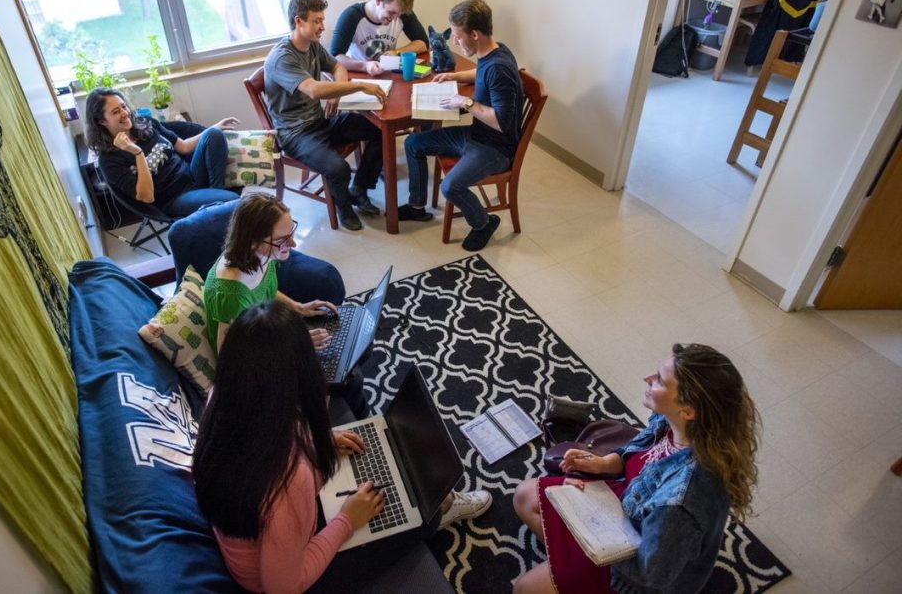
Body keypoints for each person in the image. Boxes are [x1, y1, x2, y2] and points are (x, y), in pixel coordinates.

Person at [192, 301, 493, 594]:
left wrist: (319, 442)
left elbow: (271, 436)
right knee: (427, 511)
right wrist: (347, 520)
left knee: (388, 479)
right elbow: (282, 587)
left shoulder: (222, 397)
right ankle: (441, 512)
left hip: (268, 538)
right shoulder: (290, 479)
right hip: (283, 577)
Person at [511, 344, 761, 594]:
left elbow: (650, 573)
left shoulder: (680, 504)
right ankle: (568, 560)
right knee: (524, 496)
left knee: (524, 589)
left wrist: (585, 520)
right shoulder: (673, 421)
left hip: (631, 567)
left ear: (687, 410)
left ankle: (574, 564)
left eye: (660, 380)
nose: (648, 379)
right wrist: (603, 463)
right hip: (626, 504)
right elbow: (637, 452)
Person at [396, 0, 524, 252]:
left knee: (451, 187)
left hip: (495, 149)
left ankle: (484, 223)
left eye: (457, 36)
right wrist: (454, 76)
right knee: (413, 143)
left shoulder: (499, 68)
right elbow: (482, 73)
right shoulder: (495, 51)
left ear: (474, 34)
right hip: (477, 135)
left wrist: (466, 102)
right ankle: (417, 206)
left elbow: (502, 123)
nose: (454, 41)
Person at [264, 0, 389, 231]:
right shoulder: (281, 57)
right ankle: (344, 208)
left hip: (319, 121)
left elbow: (338, 66)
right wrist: (359, 85)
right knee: (338, 168)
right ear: (299, 21)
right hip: (295, 134)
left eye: (322, 20)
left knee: (378, 129)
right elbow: (313, 89)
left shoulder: (312, 45)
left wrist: (336, 94)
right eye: (316, 21)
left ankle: (359, 188)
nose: (322, 26)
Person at [202, 192, 337, 356]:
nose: (293, 243)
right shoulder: (232, 295)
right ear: (252, 242)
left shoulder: (262, 254)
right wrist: (296, 344)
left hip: (264, 330)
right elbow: (231, 355)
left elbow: (264, 291)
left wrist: (298, 307)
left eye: (291, 232)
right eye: (281, 240)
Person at [86, 87, 241, 217]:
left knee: (213, 134)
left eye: (123, 106)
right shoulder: (109, 160)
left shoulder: (145, 123)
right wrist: (138, 153)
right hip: (174, 199)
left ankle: (215, 195)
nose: (125, 113)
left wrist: (216, 126)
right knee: (233, 199)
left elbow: (184, 147)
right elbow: (147, 196)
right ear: (102, 121)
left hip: (192, 175)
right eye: (115, 112)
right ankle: (218, 204)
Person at [330, 0, 430, 75]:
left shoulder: (399, 12)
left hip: (387, 73)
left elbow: (423, 44)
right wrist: (365, 66)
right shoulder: (351, 16)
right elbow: (334, 57)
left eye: (399, 14)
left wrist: (397, 52)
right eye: (391, 12)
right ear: (378, 0)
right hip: (359, 74)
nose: (395, 18)